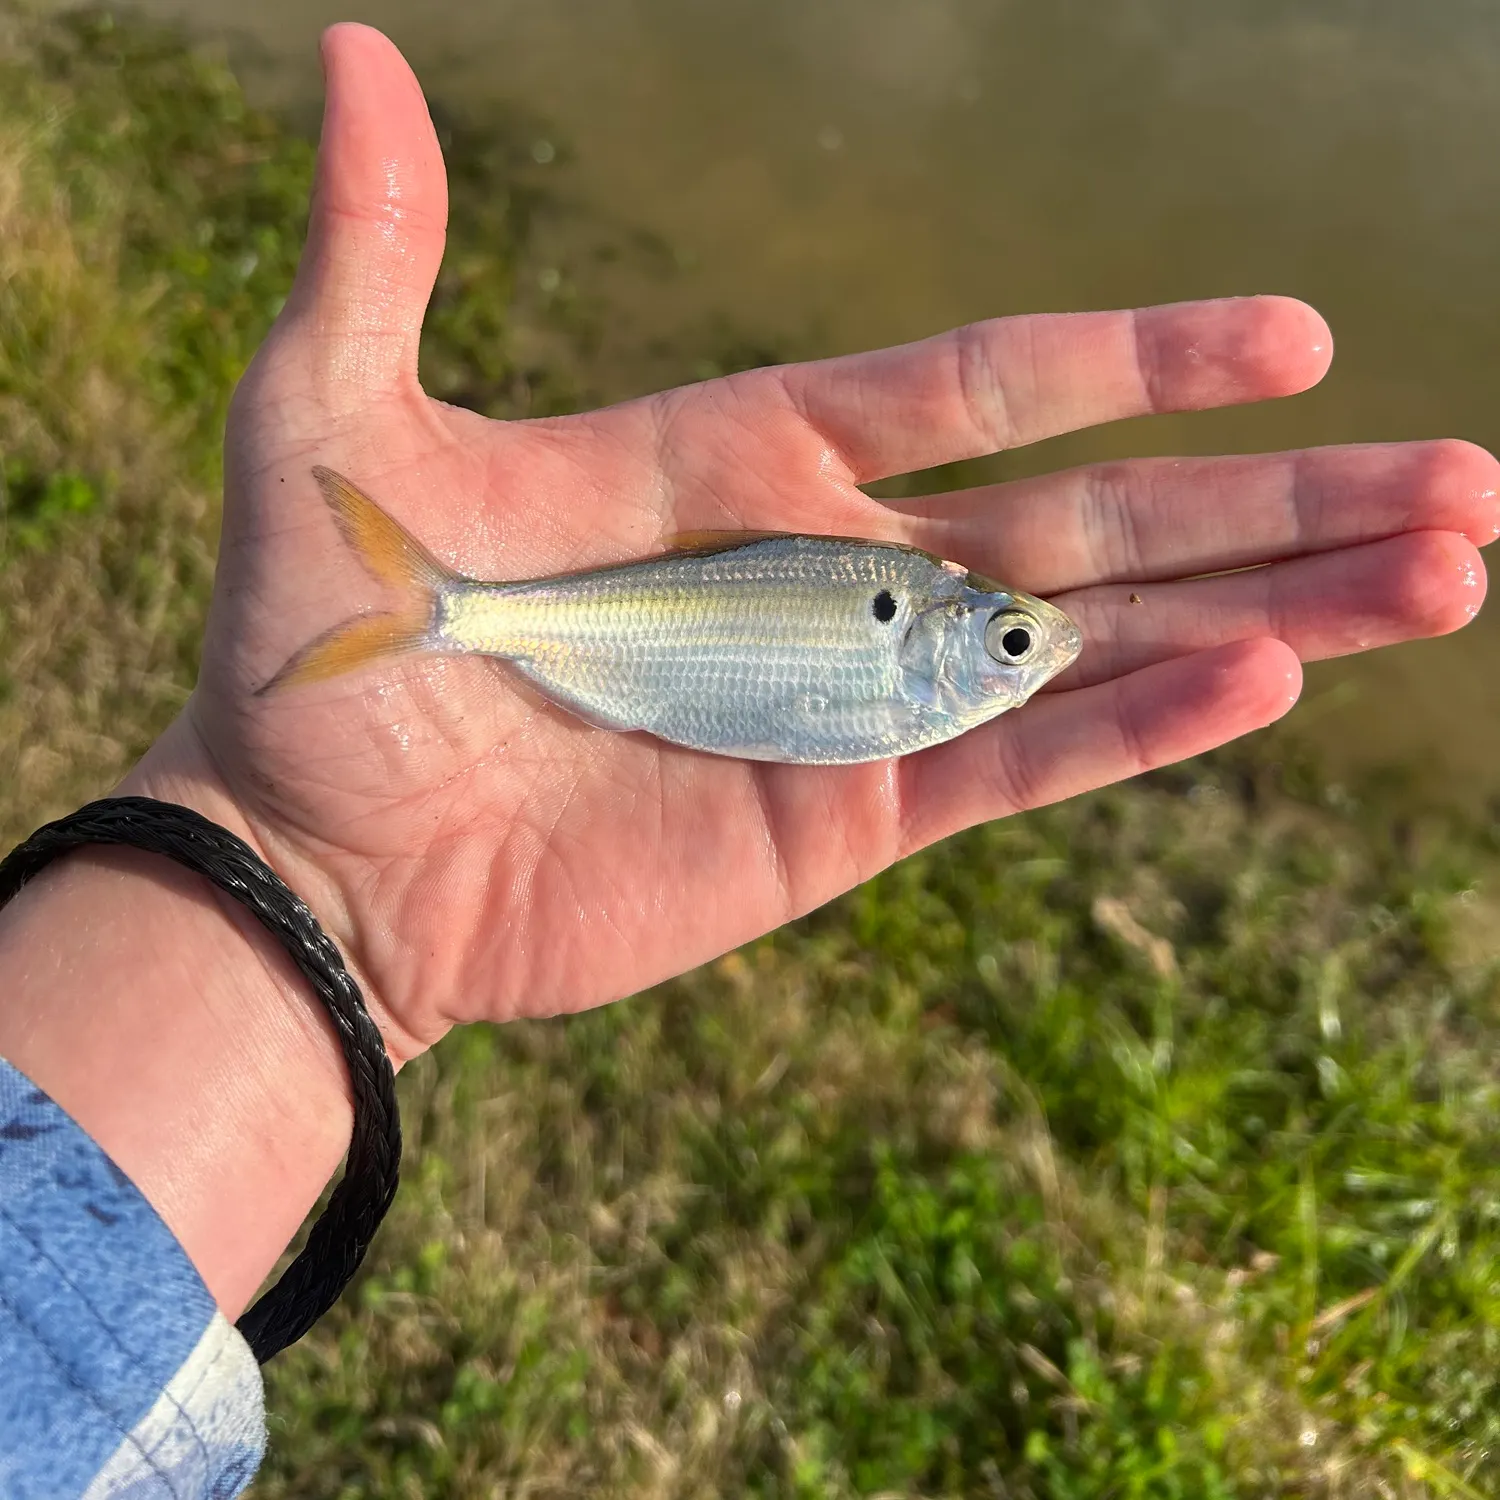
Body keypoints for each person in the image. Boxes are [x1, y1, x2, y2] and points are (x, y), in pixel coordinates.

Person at [0, 21, 1495, 1498]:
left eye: (1018, 649)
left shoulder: (924, 671)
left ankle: (443, 625)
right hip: (537, 660)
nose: (1024, 662)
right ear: (956, 633)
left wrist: (289, 865)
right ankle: (443, 617)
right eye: (1013, 647)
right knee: (457, 622)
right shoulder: (907, 655)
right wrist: (297, 843)